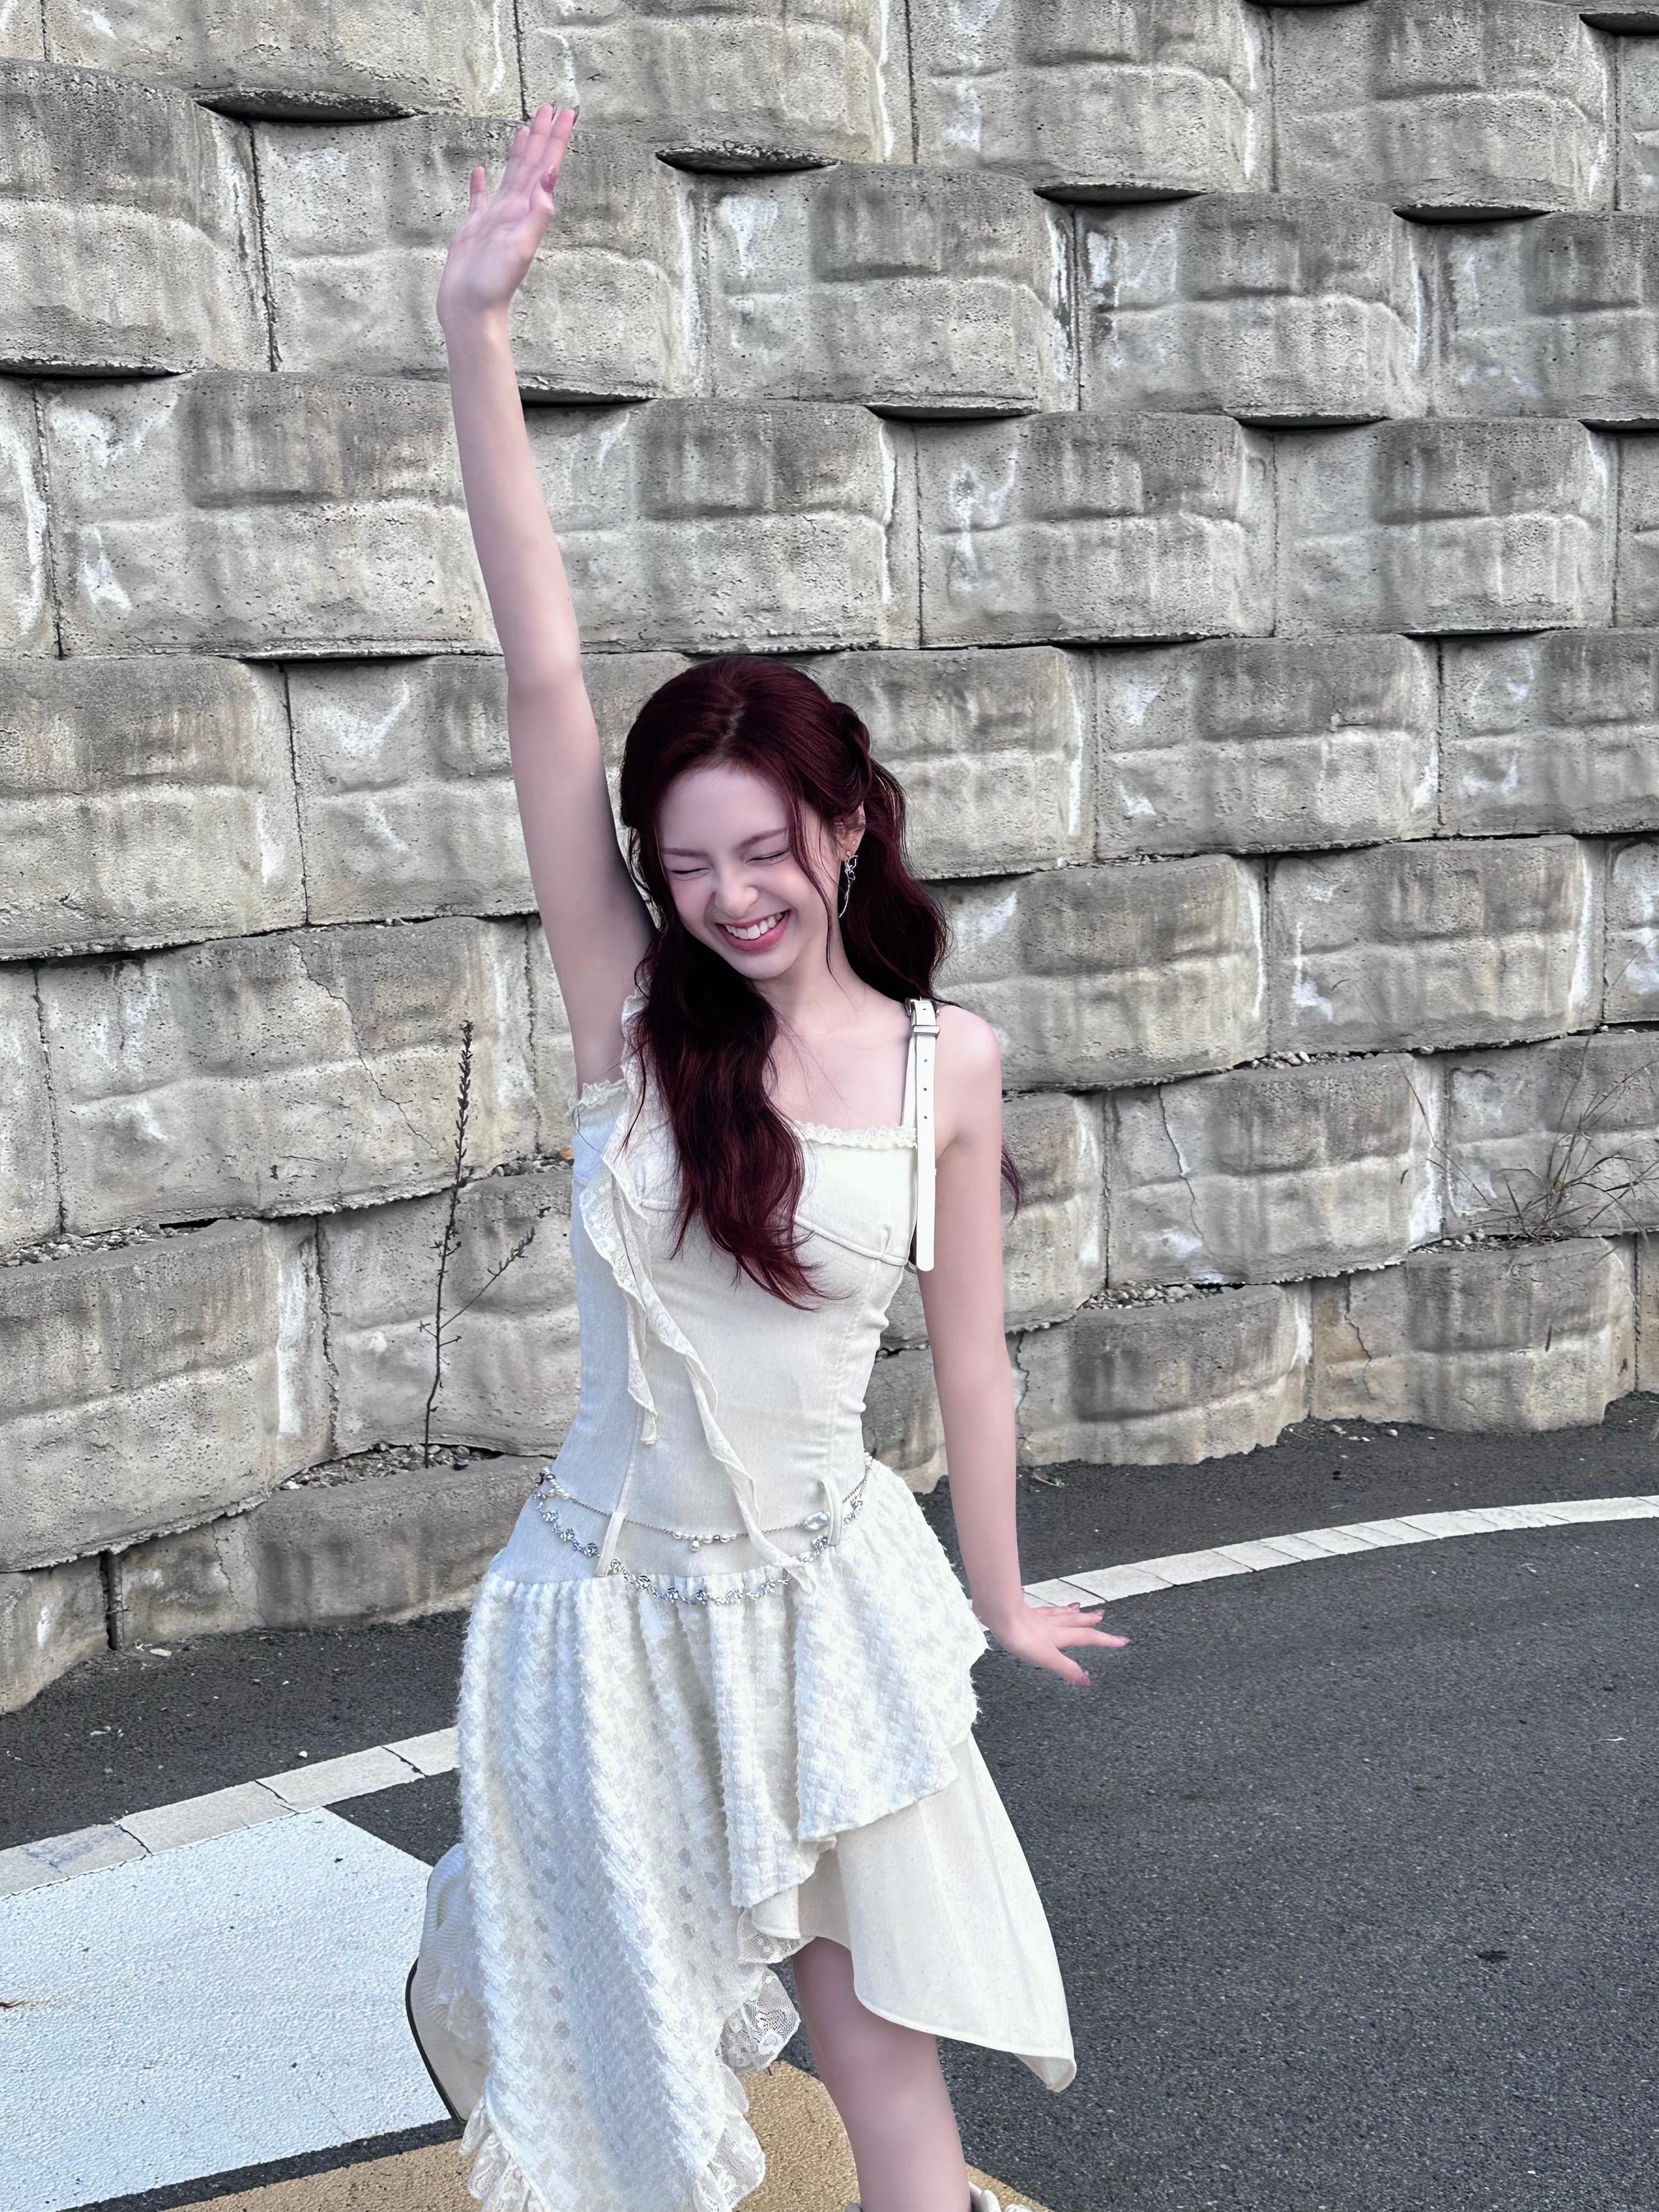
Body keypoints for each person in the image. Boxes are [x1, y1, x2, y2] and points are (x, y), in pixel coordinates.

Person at [404, 101, 1126, 2212]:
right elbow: (545, 675)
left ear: (846, 826)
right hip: (605, 1623)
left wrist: (1000, 1588)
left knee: (881, 2052)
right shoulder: (631, 1019)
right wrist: (476, 337)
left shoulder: (947, 1065)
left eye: (767, 847)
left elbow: (971, 1365)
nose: (731, 894)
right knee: (629, 2087)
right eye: (689, 861)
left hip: (824, 1607)